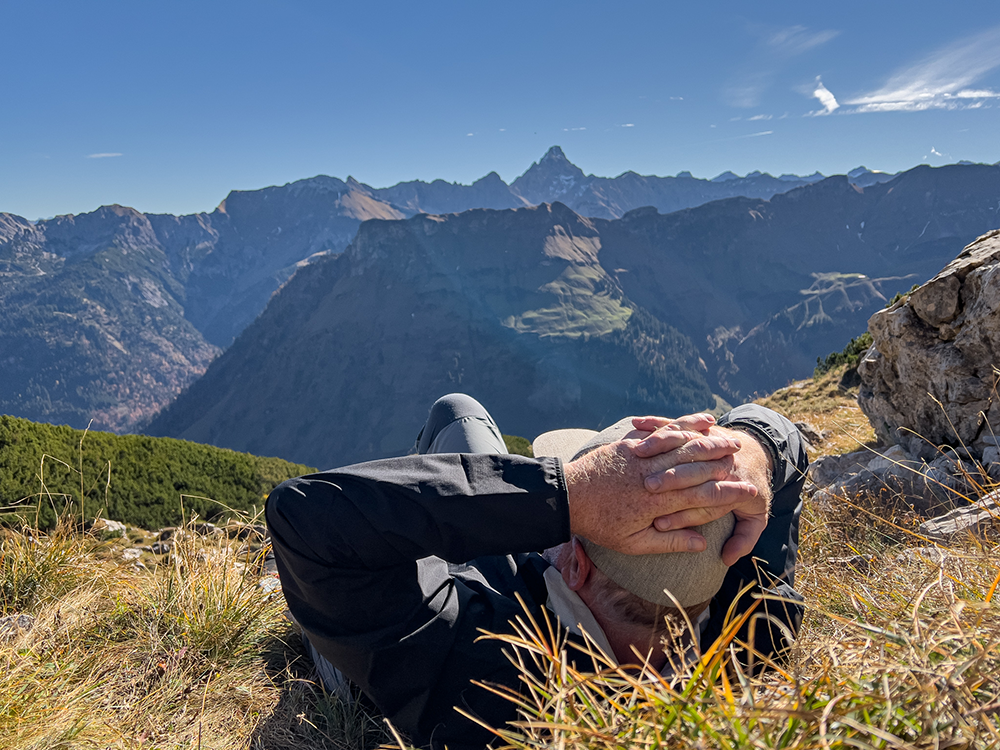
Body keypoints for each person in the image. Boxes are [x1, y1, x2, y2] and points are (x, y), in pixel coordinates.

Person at [266, 394, 808, 749]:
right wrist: (751, 452)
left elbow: (305, 519)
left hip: (377, 653)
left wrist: (569, 494)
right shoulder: (756, 624)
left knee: (458, 414)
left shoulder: (480, 665)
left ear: (574, 564)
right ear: (733, 539)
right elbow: (787, 441)